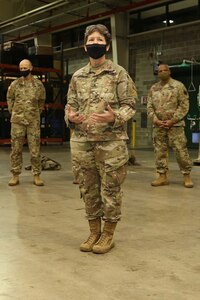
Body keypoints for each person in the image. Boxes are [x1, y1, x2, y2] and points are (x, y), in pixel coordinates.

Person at [64, 24, 137, 254]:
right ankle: (93, 230)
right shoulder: (77, 76)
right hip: (82, 141)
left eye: (99, 39)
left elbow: (130, 105)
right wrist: (71, 117)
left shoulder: (118, 73)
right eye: (91, 39)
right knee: (88, 188)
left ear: (106, 44)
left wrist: (115, 117)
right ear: (85, 46)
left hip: (110, 143)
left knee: (111, 188)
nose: (95, 43)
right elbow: (70, 105)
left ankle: (108, 234)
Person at [147, 63, 193, 188]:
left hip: (175, 126)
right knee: (159, 152)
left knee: (180, 151)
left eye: (164, 70)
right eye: (159, 71)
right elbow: (149, 107)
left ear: (169, 71)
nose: (162, 72)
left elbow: (184, 105)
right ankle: (162, 176)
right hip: (159, 126)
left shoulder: (178, 86)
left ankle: (186, 175)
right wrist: (155, 120)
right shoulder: (153, 88)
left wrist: (173, 120)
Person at [7, 59, 46, 186]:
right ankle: (15, 175)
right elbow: (10, 97)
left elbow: (41, 101)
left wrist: (36, 113)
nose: (23, 70)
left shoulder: (38, 85)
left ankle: (36, 175)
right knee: (16, 148)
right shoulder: (15, 84)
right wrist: (13, 111)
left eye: (25, 68)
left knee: (35, 149)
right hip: (17, 121)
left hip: (33, 121)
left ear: (31, 67)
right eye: (21, 68)